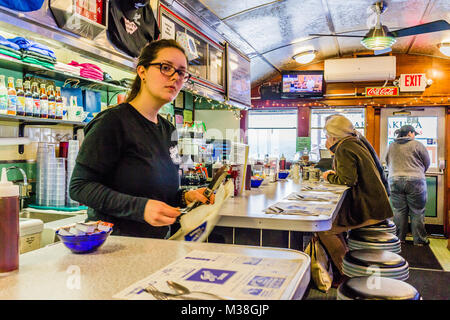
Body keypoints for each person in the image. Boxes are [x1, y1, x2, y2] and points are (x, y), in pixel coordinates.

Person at [69, 39, 213, 238]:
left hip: (156, 246)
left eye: (181, 72)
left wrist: (184, 197)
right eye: (165, 67)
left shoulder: (167, 129)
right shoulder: (113, 122)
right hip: (115, 246)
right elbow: (79, 187)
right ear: (142, 71)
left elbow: (158, 194)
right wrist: (140, 208)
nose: (175, 77)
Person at [319, 115, 393, 278]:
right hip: (377, 204)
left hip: (370, 209)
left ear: (333, 135)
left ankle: (347, 273)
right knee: (334, 224)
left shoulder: (344, 147)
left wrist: (328, 176)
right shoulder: (356, 142)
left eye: (326, 134)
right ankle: (349, 262)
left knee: (325, 229)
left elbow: (347, 180)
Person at [385, 124, 430, 246]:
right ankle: (419, 241)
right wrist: (418, 172)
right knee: (417, 211)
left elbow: (387, 161)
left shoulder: (391, 146)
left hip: (394, 180)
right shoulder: (417, 145)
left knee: (399, 211)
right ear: (410, 133)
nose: (414, 135)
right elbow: (427, 162)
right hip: (415, 180)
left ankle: (399, 240)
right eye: (414, 133)